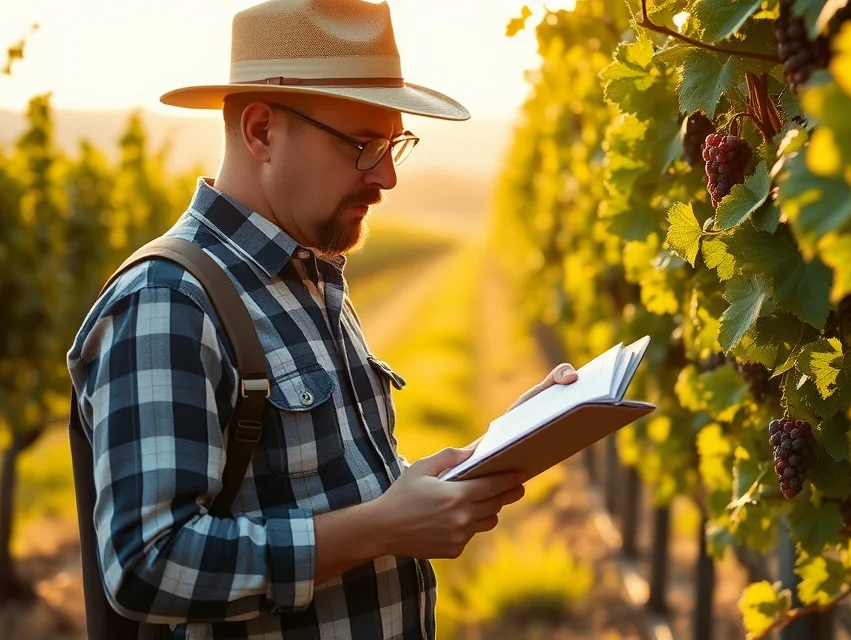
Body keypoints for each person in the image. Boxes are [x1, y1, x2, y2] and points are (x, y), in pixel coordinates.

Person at [65, 1, 578, 637]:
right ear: (260, 132)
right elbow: (147, 564)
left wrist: (488, 454)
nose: (387, 175)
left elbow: (323, 487)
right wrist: (384, 526)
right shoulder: (169, 302)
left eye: (394, 144)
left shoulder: (310, 275)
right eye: (363, 145)